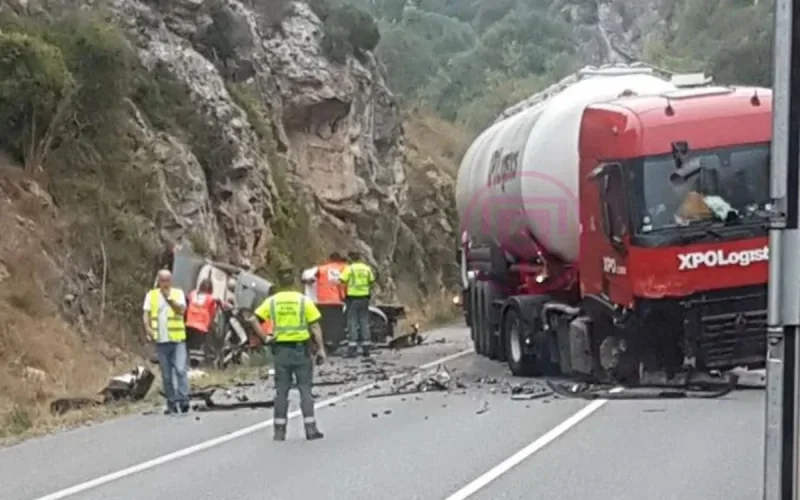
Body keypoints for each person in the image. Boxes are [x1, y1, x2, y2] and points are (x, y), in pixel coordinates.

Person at [249, 267, 326, 441]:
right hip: (301, 350)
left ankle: (279, 431)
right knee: (305, 389)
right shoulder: (303, 301)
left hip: (281, 351)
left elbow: (253, 319)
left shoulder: (273, 302)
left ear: (279, 283)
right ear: (294, 282)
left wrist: (265, 337)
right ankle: (310, 429)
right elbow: (314, 326)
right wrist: (320, 349)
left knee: (281, 391)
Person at [142, 269, 189, 414]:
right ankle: (172, 402)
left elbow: (181, 310)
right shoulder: (152, 295)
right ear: (159, 281)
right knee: (167, 375)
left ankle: (183, 399)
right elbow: (146, 314)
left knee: (180, 370)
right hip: (161, 341)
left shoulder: (177, 293)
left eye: (167, 280)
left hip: (177, 340)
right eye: (162, 280)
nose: (165, 284)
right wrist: (148, 328)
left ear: (171, 281)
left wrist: (169, 299)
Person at [340, 251, 376, 358]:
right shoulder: (367, 268)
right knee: (364, 321)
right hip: (364, 298)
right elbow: (372, 281)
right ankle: (366, 348)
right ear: (360, 258)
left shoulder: (349, 269)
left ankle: (352, 348)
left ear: (351, 259)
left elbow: (342, 280)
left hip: (352, 298)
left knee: (352, 322)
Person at [185, 279, 218, 364]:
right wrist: (210, 325)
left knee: (187, 345)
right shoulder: (210, 299)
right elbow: (212, 313)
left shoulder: (192, 294)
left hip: (189, 323)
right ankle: (193, 365)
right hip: (201, 326)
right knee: (196, 348)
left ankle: (184, 362)